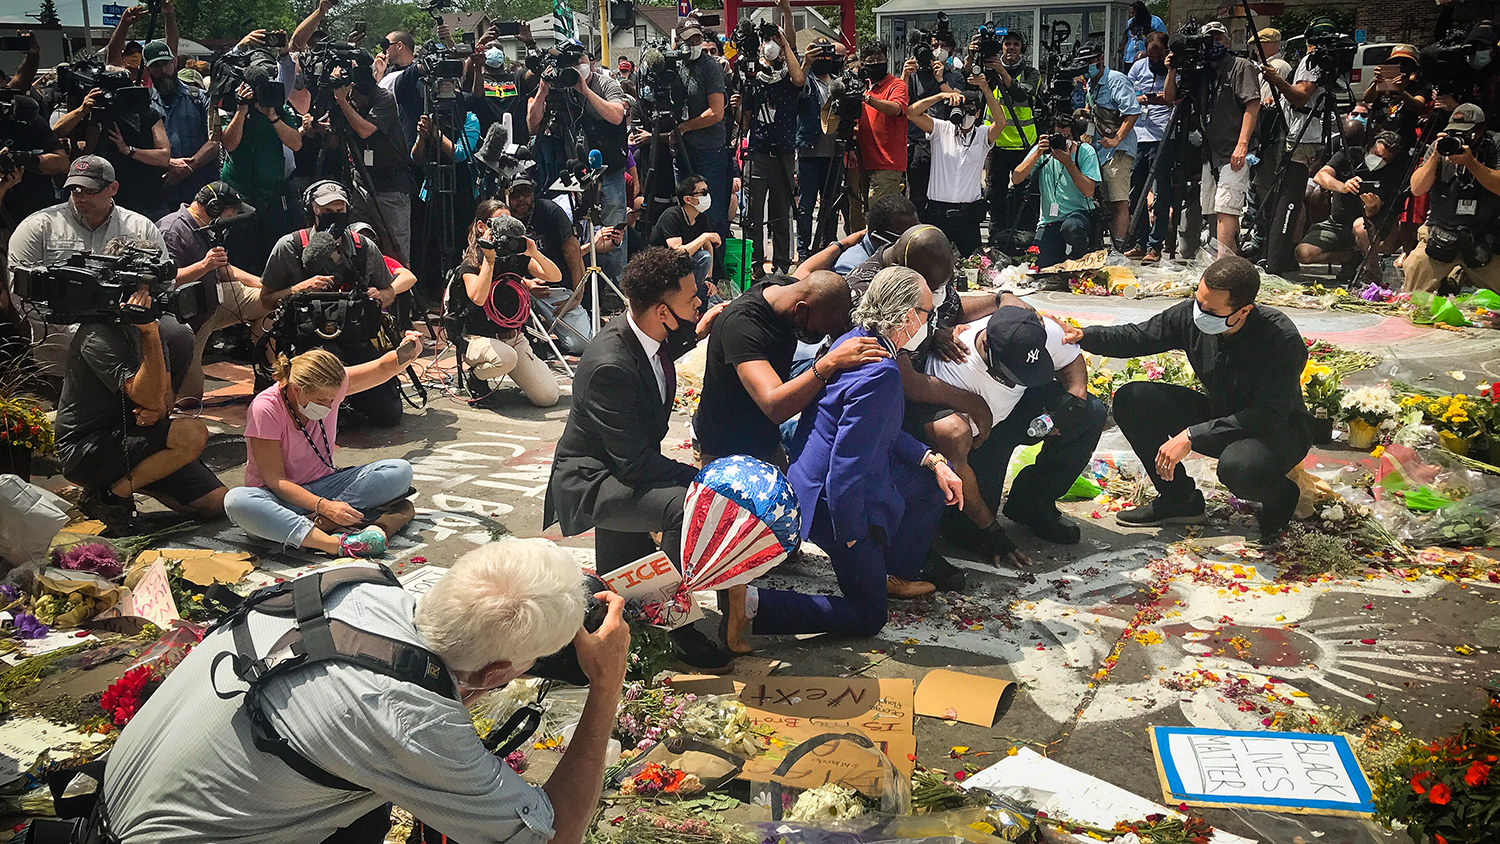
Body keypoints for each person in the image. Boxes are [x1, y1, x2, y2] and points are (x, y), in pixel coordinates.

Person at [100, 539, 632, 844]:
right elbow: (552, 836)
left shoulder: (351, 581)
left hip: (113, 809)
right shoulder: (410, 719)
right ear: (496, 674)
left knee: (370, 807)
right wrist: (605, 687)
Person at [720, 267, 963, 648]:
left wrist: (932, 460)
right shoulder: (880, 373)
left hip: (810, 483)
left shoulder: (854, 342)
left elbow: (878, 430)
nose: (929, 323)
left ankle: (886, 571)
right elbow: (846, 467)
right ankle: (752, 604)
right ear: (904, 317)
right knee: (869, 616)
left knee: (928, 485)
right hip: (833, 504)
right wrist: (851, 537)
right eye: (926, 313)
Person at [544, 246, 732, 670]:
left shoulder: (649, 330)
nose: (700, 301)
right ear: (663, 312)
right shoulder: (610, 364)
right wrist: (702, 477)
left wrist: (702, 326)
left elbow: (680, 338)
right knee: (687, 506)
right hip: (594, 480)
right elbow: (634, 463)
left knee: (618, 590)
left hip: (622, 468)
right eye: (691, 300)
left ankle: (631, 608)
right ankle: (675, 625)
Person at [1066, 256, 1311, 539]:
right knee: (1133, 399)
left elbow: (1267, 415)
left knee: (1239, 467)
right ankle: (1179, 500)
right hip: (1221, 413)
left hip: (1278, 430)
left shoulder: (1280, 339)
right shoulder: (1191, 316)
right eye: (1198, 301)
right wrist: (1082, 335)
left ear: (1243, 311)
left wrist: (1193, 435)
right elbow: (1137, 337)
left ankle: (1280, 498)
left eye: (1211, 310)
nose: (1200, 313)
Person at [53, 239, 226, 530]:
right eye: (144, 286)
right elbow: (145, 395)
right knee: (191, 433)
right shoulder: (97, 333)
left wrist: (158, 410)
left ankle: (124, 484)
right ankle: (110, 496)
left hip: (136, 437)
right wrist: (148, 334)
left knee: (216, 503)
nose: (152, 295)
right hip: (87, 448)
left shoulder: (155, 327)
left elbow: (163, 399)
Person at [924, 296, 1105, 567]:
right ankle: (963, 525)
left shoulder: (1035, 330)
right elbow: (958, 464)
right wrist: (990, 530)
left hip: (1014, 406)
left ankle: (1033, 503)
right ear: (986, 346)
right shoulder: (956, 370)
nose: (1018, 377)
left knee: (1090, 412)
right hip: (979, 434)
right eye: (1013, 372)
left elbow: (1072, 359)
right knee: (968, 528)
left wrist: (1074, 401)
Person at [225, 346, 420, 557]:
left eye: (333, 399)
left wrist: (409, 351)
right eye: (321, 400)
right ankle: (331, 543)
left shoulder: (332, 382)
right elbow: (276, 481)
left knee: (399, 470)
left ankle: (306, 529)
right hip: (278, 497)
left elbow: (382, 368)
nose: (329, 406)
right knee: (237, 501)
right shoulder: (265, 408)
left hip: (326, 485)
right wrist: (324, 506)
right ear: (297, 388)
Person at [7, 156, 188, 379]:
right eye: (75, 190)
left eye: (90, 190)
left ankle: (160, 402)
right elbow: (21, 295)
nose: (81, 197)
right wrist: (81, 331)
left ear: (113, 188)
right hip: (61, 330)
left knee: (181, 334)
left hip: (127, 325)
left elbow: (165, 282)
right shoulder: (37, 227)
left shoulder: (140, 227)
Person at [695, 272, 882, 466]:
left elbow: (810, 269)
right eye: (816, 330)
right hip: (726, 451)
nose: (816, 338)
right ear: (800, 309)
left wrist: (841, 245)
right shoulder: (742, 325)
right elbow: (774, 405)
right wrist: (828, 363)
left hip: (766, 441)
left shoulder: (786, 289)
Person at [259, 181, 406, 427]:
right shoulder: (289, 246)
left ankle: (351, 400)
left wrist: (379, 295)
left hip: (355, 337)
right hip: (310, 341)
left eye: (339, 211)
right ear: (312, 210)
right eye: (327, 212)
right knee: (319, 390)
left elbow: (389, 290)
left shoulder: (364, 246)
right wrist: (298, 289)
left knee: (389, 414)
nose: (334, 217)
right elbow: (266, 300)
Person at [526, 42, 630, 286]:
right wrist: (543, 89)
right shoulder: (559, 87)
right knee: (578, 229)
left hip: (610, 168)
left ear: (590, 62)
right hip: (576, 171)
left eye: (579, 62)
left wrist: (584, 90)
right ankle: (581, 283)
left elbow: (617, 116)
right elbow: (532, 125)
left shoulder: (605, 83)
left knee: (614, 230)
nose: (575, 67)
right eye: (569, 64)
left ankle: (616, 287)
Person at [155, 181, 268, 399]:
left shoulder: (205, 226)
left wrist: (265, 284)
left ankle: (266, 376)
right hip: (187, 322)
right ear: (216, 208)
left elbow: (223, 269)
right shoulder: (172, 230)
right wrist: (204, 265)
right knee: (188, 399)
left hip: (213, 303)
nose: (233, 218)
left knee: (269, 300)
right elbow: (165, 282)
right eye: (232, 212)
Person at [453, 201, 563, 406]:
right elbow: (478, 297)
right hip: (477, 338)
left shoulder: (515, 257)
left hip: (512, 337)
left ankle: (513, 366)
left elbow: (555, 276)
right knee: (506, 358)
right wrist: (489, 259)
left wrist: (534, 252)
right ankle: (476, 378)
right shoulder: (472, 261)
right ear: (481, 226)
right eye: (498, 222)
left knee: (548, 397)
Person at [1165, 21, 1258, 257]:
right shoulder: (1202, 72)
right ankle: (1220, 260)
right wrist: (1173, 68)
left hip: (1232, 151)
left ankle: (1224, 265)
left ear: (1227, 41)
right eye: (1209, 40)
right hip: (1210, 153)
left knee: (1227, 208)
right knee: (1213, 210)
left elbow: (1252, 104)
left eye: (1218, 39)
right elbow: (1170, 97)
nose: (1214, 44)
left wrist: (1242, 144)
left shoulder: (1240, 66)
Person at [1260, 18, 1338, 273]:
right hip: (1312, 135)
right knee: (1291, 195)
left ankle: (1276, 257)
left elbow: (1300, 97)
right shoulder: (1330, 62)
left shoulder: (1311, 60)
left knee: (1289, 196)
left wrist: (1276, 80)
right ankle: (1280, 253)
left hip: (1300, 137)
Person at [216, 53, 304, 271]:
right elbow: (229, 144)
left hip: (272, 194)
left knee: (272, 253)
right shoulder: (230, 105)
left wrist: (272, 116)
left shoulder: (278, 106)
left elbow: (296, 143)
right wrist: (241, 110)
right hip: (239, 195)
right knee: (240, 253)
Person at [1402, 104, 1500, 293]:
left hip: (1482, 236)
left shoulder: (1494, 144)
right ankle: (1452, 276)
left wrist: (1471, 163)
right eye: (1454, 132)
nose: (1458, 137)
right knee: (1413, 282)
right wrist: (1436, 155)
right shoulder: (1439, 147)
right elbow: (1417, 188)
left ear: (1480, 132)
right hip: (1441, 233)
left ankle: (1458, 275)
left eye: (1465, 133)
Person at [325, 62, 417, 264]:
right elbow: (332, 142)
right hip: (361, 183)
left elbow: (365, 130)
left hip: (390, 185)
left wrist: (342, 102)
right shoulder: (349, 100)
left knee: (396, 249)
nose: (353, 97)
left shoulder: (383, 98)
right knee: (359, 241)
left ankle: (402, 292)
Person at [906, 75, 1007, 258]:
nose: (965, 115)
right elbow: (911, 112)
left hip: (967, 215)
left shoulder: (982, 135)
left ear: (977, 114)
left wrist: (985, 89)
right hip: (937, 212)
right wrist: (941, 96)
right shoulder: (941, 129)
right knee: (932, 264)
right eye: (962, 109)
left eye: (970, 110)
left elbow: (1001, 123)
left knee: (973, 267)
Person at [739, 1, 805, 277]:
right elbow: (745, 116)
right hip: (758, 150)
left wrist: (785, 42)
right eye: (766, 40)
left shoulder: (787, 73)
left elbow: (800, 79)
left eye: (773, 40)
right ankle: (755, 264)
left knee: (781, 209)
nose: (770, 44)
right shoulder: (753, 72)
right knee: (753, 214)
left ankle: (781, 263)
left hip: (784, 150)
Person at [1296, 132, 1408, 281]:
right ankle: (1351, 257)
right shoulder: (1350, 155)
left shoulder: (1392, 173)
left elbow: (1377, 209)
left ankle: (1373, 273)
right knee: (1303, 253)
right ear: (1370, 147)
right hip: (1338, 222)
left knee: (1360, 227)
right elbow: (1320, 176)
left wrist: (1371, 207)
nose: (1379, 160)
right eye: (1377, 154)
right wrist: (1342, 186)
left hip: (1368, 223)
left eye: (1385, 159)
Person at [505, 176, 593, 353]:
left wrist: (577, 295)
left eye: (526, 192)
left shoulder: (549, 211)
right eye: (515, 194)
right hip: (516, 287)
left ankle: (549, 327)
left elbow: (573, 253)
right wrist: (525, 284)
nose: (522, 198)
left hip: (553, 289)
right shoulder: (502, 217)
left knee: (580, 344)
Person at [672, 17, 731, 279]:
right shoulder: (677, 66)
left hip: (709, 152)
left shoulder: (710, 67)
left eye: (697, 39)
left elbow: (717, 112)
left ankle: (716, 276)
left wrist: (685, 127)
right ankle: (689, 273)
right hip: (683, 151)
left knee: (712, 213)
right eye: (689, 40)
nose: (694, 44)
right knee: (685, 211)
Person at [979, 30, 1042, 250]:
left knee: (1024, 194)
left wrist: (1002, 72)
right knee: (995, 194)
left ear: (1021, 48)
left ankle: (1025, 238)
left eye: (1016, 44)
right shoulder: (989, 71)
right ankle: (997, 238)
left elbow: (1021, 94)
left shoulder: (1031, 73)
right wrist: (973, 59)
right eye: (1007, 44)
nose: (1011, 48)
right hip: (996, 144)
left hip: (1023, 144)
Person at [1012, 113, 1099, 268]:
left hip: (1078, 214)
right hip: (1050, 221)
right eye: (1058, 136)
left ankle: (1081, 256)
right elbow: (1016, 178)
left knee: (1072, 227)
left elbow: (1088, 191)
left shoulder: (1085, 151)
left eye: (1066, 137)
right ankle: (1058, 257)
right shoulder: (1043, 151)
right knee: (1040, 266)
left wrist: (1068, 163)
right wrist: (1038, 152)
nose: (1062, 141)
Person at [145, 39, 218, 213]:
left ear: (174, 63)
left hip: (199, 192)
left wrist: (189, 166)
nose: (163, 71)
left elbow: (215, 141)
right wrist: (168, 163)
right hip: (160, 194)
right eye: (156, 67)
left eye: (166, 64)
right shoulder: (144, 104)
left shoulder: (199, 98)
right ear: (148, 70)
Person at [1077, 46, 1140, 249]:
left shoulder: (1116, 80)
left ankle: (1120, 247)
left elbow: (1132, 112)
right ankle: (1109, 245)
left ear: (1100, 59)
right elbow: (1094, 112)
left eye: (1091, 61)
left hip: (1118, 150)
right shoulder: (1091, 84)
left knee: (1119, 200)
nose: (1087, 66)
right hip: (1099, 150)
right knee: (1105, 202)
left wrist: (1117, 139)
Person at [847, 42, 909, 231]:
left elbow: (897, 109)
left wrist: (867, 99)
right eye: (870, 61)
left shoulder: (896, 85)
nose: (875, 63)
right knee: (856, 214)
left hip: (887, 163)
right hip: (862, 162)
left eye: (879, 59)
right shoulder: (861, 85)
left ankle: (880, 255)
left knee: (878, 215)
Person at [905, 26, 964, 220]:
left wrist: (940, 80)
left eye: (941, 46)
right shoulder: (913, 75)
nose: (937, 50)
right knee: (918, 196)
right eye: (934, 46)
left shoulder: (954, 75)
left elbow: (958, 99)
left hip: (946, 143)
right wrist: (905, 76)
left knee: (944, 194)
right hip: (918, 143)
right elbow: (902, 105)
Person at [795, 38, 846, 259]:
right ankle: (804, 249)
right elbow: (796, 94)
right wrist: (805, 64)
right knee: (806, 205)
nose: (824, 58)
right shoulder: (807, 81)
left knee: (831, 204)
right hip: (809, 151)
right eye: (819, 54)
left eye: (828, 54)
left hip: (834, 153)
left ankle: (828, 247)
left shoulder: (839, 82)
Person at [1124, 32, 1172, 263]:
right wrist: (1141, 98)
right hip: (1138, 136)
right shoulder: (1138, 67)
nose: (1154, 61)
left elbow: (1174, 97)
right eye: (1151, 56)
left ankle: (1156, 245)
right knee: (1136, 192)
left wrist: (1160, 98)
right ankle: (1140, 242)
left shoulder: (1172, 67)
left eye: (1158, 56)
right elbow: (1127, 91)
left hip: (1161, 134)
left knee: (1161, 192)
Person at [650, 176, 720, 308]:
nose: (707, 196)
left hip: (684, 266)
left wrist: (708, 278)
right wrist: (704, 237)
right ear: (688, 199)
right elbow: (677, 251)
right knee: (702, 258)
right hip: (662, 268)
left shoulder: (700, 216)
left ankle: (697, 301)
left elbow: (708, 248)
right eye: (703, 192)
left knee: (705, 263)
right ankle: (687, 302)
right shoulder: (671, 216)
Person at [832, 195, 919, 275]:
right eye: (905, 238)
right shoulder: (851, 269)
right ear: (877, 239)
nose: (915, 242)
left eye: (917, 231)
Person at [376, 31, 424, 148]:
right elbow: (376, 99)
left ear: (399, 46)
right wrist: (379, 73)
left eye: (387, 45)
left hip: (417, 135)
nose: (384, 51)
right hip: (392, 138)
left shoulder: (420, 71)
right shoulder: (386, 72)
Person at [1120, 0, 1166, 68]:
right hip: (1130, 58)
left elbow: (1163, 38)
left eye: (1133, 13)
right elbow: (1126, 35)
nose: (1131, 15)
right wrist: (1122, 46)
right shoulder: (1130, 22)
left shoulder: (1155, 21)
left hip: (1146, 58)